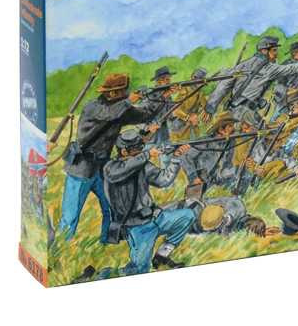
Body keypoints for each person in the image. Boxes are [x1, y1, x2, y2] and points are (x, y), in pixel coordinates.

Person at [58, 73, 160, 243]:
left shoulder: (120, 108)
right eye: (123, 92)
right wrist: (129, 101)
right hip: (81, 168)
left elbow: (144, 114)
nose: (126, 94)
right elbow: (109, 114)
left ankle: (107, 242)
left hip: (103, 168)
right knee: (70, 216)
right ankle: (60, 248)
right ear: (112, 93)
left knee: (112, 209)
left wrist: (160, 96)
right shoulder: (93, 107)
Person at [102, 129, 195, 273]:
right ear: (124, 152)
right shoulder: (111, 168)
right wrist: (147, 155)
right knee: (140, 270)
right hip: (137, 226)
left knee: (187, 216)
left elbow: (164, 180)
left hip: (155, 217)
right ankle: (102, 275)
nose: (141, 150)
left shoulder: (142, 164)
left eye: (141, 147)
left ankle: (162, 255)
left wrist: (176, 158)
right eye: (137, 148)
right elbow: (118, 173)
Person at [205, 36, 298, 128]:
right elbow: (291, 69)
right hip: (246, 112)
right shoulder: (269, 68)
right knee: (264, 135)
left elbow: (224, 84)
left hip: (234, 109)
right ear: (264, 51)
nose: (276, 54)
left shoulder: (244, 64)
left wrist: (210, 107)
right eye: (274, 51)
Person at [164, 195, 280, 237]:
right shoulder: (237, 209)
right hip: (192, 210)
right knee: (161, 215)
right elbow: (226, 221)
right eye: (250, 229)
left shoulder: (239, 223)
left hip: (195, 224)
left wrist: (263, 231)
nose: (247, 231)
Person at [271, 41, 298, 122]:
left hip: (297, 95)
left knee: (297, 115)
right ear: (293, 53)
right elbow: (279, 81)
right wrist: (287, 90)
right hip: (284, 94)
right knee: (280, 112)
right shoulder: (287, 64)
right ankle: (272, 125)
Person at [170, 67, 209, 141]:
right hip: (180, 127)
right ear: (193, 78)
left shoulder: (200, 93)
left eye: (201, 80)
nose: (200, 83)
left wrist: (199, 116)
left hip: (193, 127)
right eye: (198, 79)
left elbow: (206, 107)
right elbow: (175, 109)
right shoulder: (184, 90)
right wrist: (188, 117)